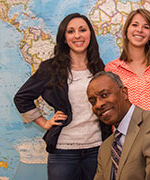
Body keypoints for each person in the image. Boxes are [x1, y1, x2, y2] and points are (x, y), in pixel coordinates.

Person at [13, 13, 111, 180]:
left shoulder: (100, 68)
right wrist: (44, 122)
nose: (77, 35)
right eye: (71, 31)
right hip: (63, 153)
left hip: (97, 149)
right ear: (64, 38)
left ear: (90, 35)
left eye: (82, 30)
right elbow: (22, 98)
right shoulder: (50, 68)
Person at [87, 71, 150, 180]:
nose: (98, 105)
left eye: (104, 95)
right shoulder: (105, 148)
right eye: (93, 102)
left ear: (124, 93)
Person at [105, 9, 150, 114]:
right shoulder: (112, 68)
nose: (139, 30)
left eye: (146, 27)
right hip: (127, 129)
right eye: (135, 25)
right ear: (126, 31)